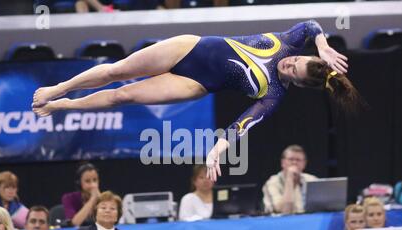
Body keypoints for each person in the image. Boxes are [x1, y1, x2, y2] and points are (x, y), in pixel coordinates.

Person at [31, 20, 363, 181]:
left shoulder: (273, 94)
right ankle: (60, 88)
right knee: (116, 71)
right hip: (191, 47)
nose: (289, 64)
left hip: (196, 83)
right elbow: (310, 25)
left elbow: (241, 126)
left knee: (125, 95)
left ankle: (61, 107)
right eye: (296, 60)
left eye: (294, 70)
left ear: (299, 84)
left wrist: (217, 151)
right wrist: (321, 46)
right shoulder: (290, 44)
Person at [262, 145, 317, 214]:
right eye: (291, 159)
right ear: (283, 162)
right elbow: (284, 211)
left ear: (304, 164)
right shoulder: (272, 183)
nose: (294, 163)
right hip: (281, 222)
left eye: (298, 160)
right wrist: (289, 179)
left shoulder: (312, 180)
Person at [62, 162, 101, 227]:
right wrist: (92, 199)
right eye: (87, 181)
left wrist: (101, 200)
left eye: (95, 180)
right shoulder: (68, 198)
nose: (93, 185)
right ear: (79, 183)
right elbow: (74, 223)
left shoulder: (102, 198)